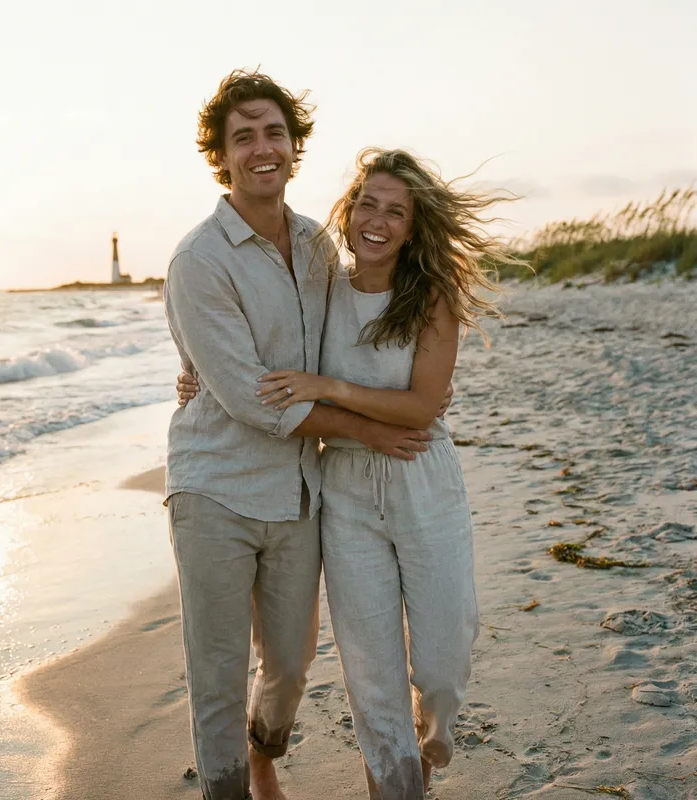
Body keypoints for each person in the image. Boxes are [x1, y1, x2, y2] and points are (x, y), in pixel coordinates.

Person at [179, 149, 510, 798]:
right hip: (346, 491)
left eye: (396, 210)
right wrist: (200, 373)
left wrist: (330, 386)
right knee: (371, 681)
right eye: (367, 203)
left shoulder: (432, 297)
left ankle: (432, 723)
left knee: (443, 661)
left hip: (422, 480)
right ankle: (396, 781)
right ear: (349, 209)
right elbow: (256, 352)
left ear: (413, 227)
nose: (377, 220)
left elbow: (420, 404)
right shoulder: (318, 287)